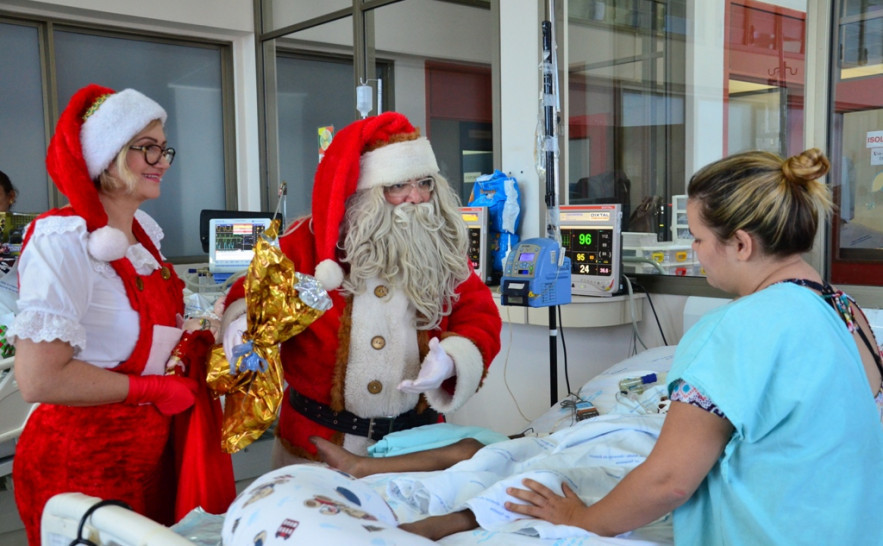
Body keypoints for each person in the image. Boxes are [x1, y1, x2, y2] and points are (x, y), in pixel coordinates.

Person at [321, 148, 883, 543]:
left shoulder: (738, 329)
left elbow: (668, 480)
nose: (696, 253)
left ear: (740, 243)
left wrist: (580, 521)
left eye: (697, 239)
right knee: (517, 455)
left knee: (545, 479)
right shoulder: (847, 313)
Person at [221, 111, 502, 465]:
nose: (416, 197)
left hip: (414, 450)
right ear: (365, 191)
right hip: (317, 447)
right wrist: (242, 321)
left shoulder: (441, 246)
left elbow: (478, 313)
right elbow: (251, 292)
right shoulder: (306, 243)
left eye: (424, 183)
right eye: (398, 186)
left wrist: (454, 358)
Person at [9, 84, 209, 545]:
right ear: (108, 156)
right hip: (79, 464)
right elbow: (39, 379)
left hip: (146, 453)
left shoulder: (144, 236)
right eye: (147, 148)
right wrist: (153, 389)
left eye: (164, 149)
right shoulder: (64, 239)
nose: (162, 161)